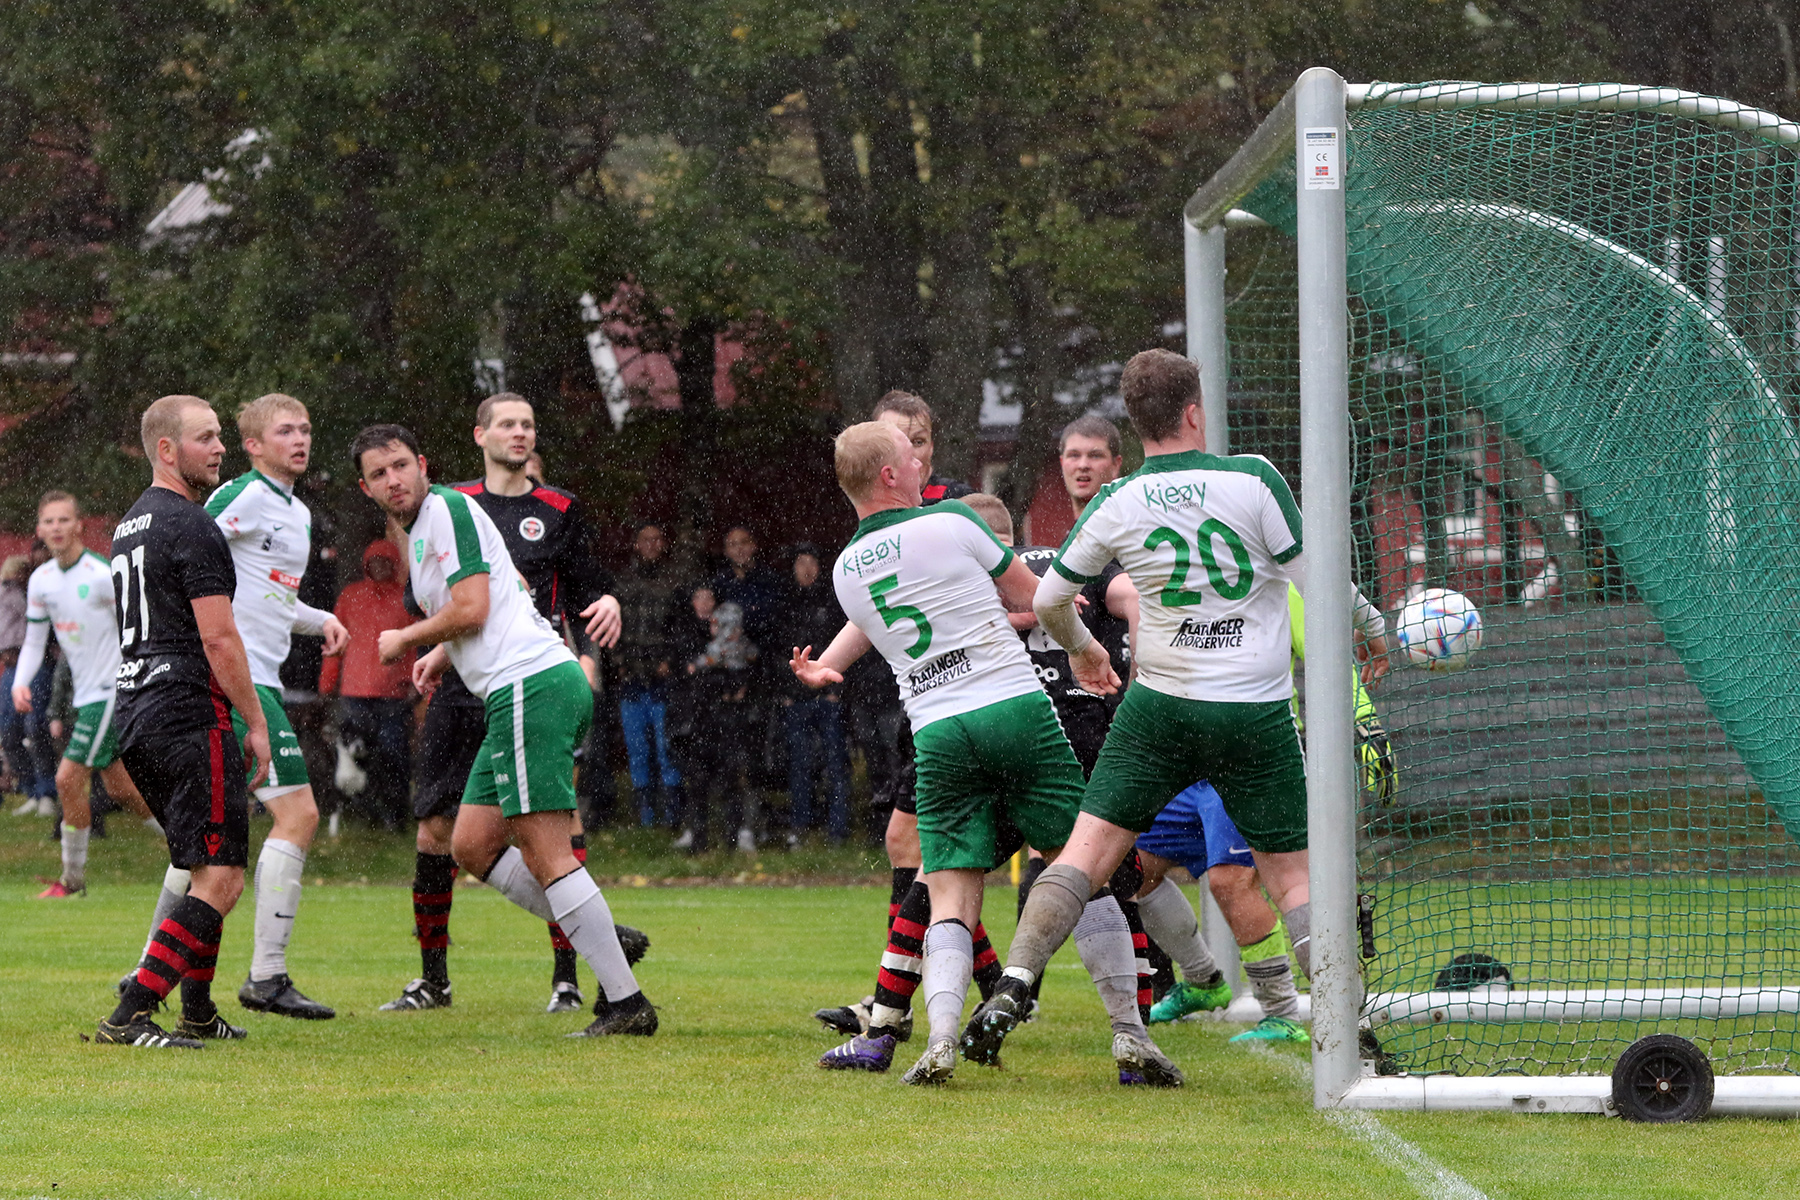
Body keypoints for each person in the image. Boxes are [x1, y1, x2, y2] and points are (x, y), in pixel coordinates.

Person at [962, 348, 1388, 1070]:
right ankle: (1353, 1033)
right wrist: (1372, 630)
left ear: (1136, 421)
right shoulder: (1251, 477)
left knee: (1087, 854)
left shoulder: (1116, 501)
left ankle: (1014, 982)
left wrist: (1082, 652)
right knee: (1293, 877)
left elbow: (1046, 600)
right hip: (1251, 710)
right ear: (1195, 411)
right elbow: (1318, 578)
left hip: (1158, 708)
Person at [795, 422, 1180, 1086]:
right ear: (888, 475)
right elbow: (1039, 597)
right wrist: (1088, 649)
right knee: (1078, 867)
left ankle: (939, 1040)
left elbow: (883, 627)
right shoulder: (949, 521)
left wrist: (826, 665)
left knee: (948, 890)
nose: (921, 462)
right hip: (1013, 710)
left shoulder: (845, 571)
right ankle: (1129, 1037)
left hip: (937, 730)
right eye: (908, 456)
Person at [354, 423, 656, 1037]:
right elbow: (510, 589)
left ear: (424, 465)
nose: (394, 479)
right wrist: (441, 655)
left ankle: (626, 1004)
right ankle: (599, 930)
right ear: (366, 488)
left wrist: (406, 639)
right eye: (380, 473)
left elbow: (474, 607)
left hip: (532, 685)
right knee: (470, 844)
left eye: (401, 465)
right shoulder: (423, 538)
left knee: (545, 851)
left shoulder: (446, 510)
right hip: (519, 689)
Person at [1138, 582, 1395, 1043]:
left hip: (1250, 757)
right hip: (1183, 760)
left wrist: (1364, 718)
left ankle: (1283, 1011)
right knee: (1136, 868)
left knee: (1233, 881)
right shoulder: (1176, 571)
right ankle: (1204, 982)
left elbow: (1323, 652)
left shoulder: (1275, 576)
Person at [96, 394, 272, 1049]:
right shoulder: (194, 525)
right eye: (205, 438)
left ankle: (197, 1011)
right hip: (187, 712)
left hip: (138, 710)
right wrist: (255, 721)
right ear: (167, 450)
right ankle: (132, 1014)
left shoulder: (130, 524)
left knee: (200, 868)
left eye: (220, 435)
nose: (219, 447)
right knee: (222, 877)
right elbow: (219, 639)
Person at [812, 392, 980, 1037]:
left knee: (926, 849)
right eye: (899, 440)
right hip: (903, 697)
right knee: (926, 849)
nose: (913, 452)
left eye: (922, 439)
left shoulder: (956, 509)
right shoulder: (871, 526)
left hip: (956, 701)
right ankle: (968, 992)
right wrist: (833, 664)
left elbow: (1011, 586)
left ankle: (900, 1005)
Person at [204, 393, 349, 1020]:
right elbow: (182, 546)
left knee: (206, 838)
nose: (300, 439)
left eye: (307, 429)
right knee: (298, 815)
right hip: (238, 681)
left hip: (254, 675)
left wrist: (320, 622)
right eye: (285, 430)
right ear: (254, 445)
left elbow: (270, 598)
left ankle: (150, 968)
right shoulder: (242, 495)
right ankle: (266, 976)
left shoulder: (298, 511)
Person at [13, 491, 155, 897]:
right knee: (121, 791)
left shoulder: (101, 574)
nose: (56, 528)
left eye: (64, 520)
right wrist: (23, 681)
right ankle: (196, 847)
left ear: (79, 525)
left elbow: (138, 628)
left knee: (67, 778)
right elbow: (34, 642)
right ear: (40, 530)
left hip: (113, 691)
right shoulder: (41, 581)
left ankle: (72, 881)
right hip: (87, 696)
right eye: (48, 521)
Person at [319, 539, 415, 831]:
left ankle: (394, 815)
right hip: (355, 691)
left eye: (385, 561)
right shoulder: (351, 596)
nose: (380, 567)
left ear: (394, 564)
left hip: (394, 691)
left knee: (393, 754)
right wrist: (327, 683)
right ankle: (363, 812)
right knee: (355, 755)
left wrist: (414, 680)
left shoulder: (405, 598)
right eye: (374, 561)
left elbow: (414, 645)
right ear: (366, 564)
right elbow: (336, 642)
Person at [776, 544, 850, 844]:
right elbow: (778, 651)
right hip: (797, 700)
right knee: (799, 766)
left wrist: (836, 692)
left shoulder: (834, 601)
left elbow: (849, 647)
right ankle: (800, 830)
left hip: (828, 699)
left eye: (811, 562)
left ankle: (837, 833)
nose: (806, 568)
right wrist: (787, 692)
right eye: (800, 562)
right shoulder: (786, 602)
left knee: (836, 766)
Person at [613, 522, 685, 828]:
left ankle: (672, 816)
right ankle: (645, 817)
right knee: (638, 750)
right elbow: (613, 629)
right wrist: (619, 663)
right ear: (636, 545)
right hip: (630, 680)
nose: (652, 545)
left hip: (662, 681)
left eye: (657, 540)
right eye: (646, 540)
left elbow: (681, 628)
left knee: (666, 748)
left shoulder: (674, 581)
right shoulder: (623, 582)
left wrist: (669, 661)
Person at [681, 599, 761, 853]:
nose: (722, 631)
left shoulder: (749, 656)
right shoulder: (704, 654)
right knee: (699, 785)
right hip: (705, 730)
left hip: (733, 730)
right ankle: (699, 839)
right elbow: (695, 684)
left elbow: (745, 692)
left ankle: (732, 839)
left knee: (733, 785)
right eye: (717, 625)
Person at [0, 553, 52, 816]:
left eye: (14, 578)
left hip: (35, 666)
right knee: (8, 732)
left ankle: (47, 791)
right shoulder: (7, 597)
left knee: (35, 727)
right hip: (10, 668)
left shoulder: (33, 594)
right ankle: (30, 789)